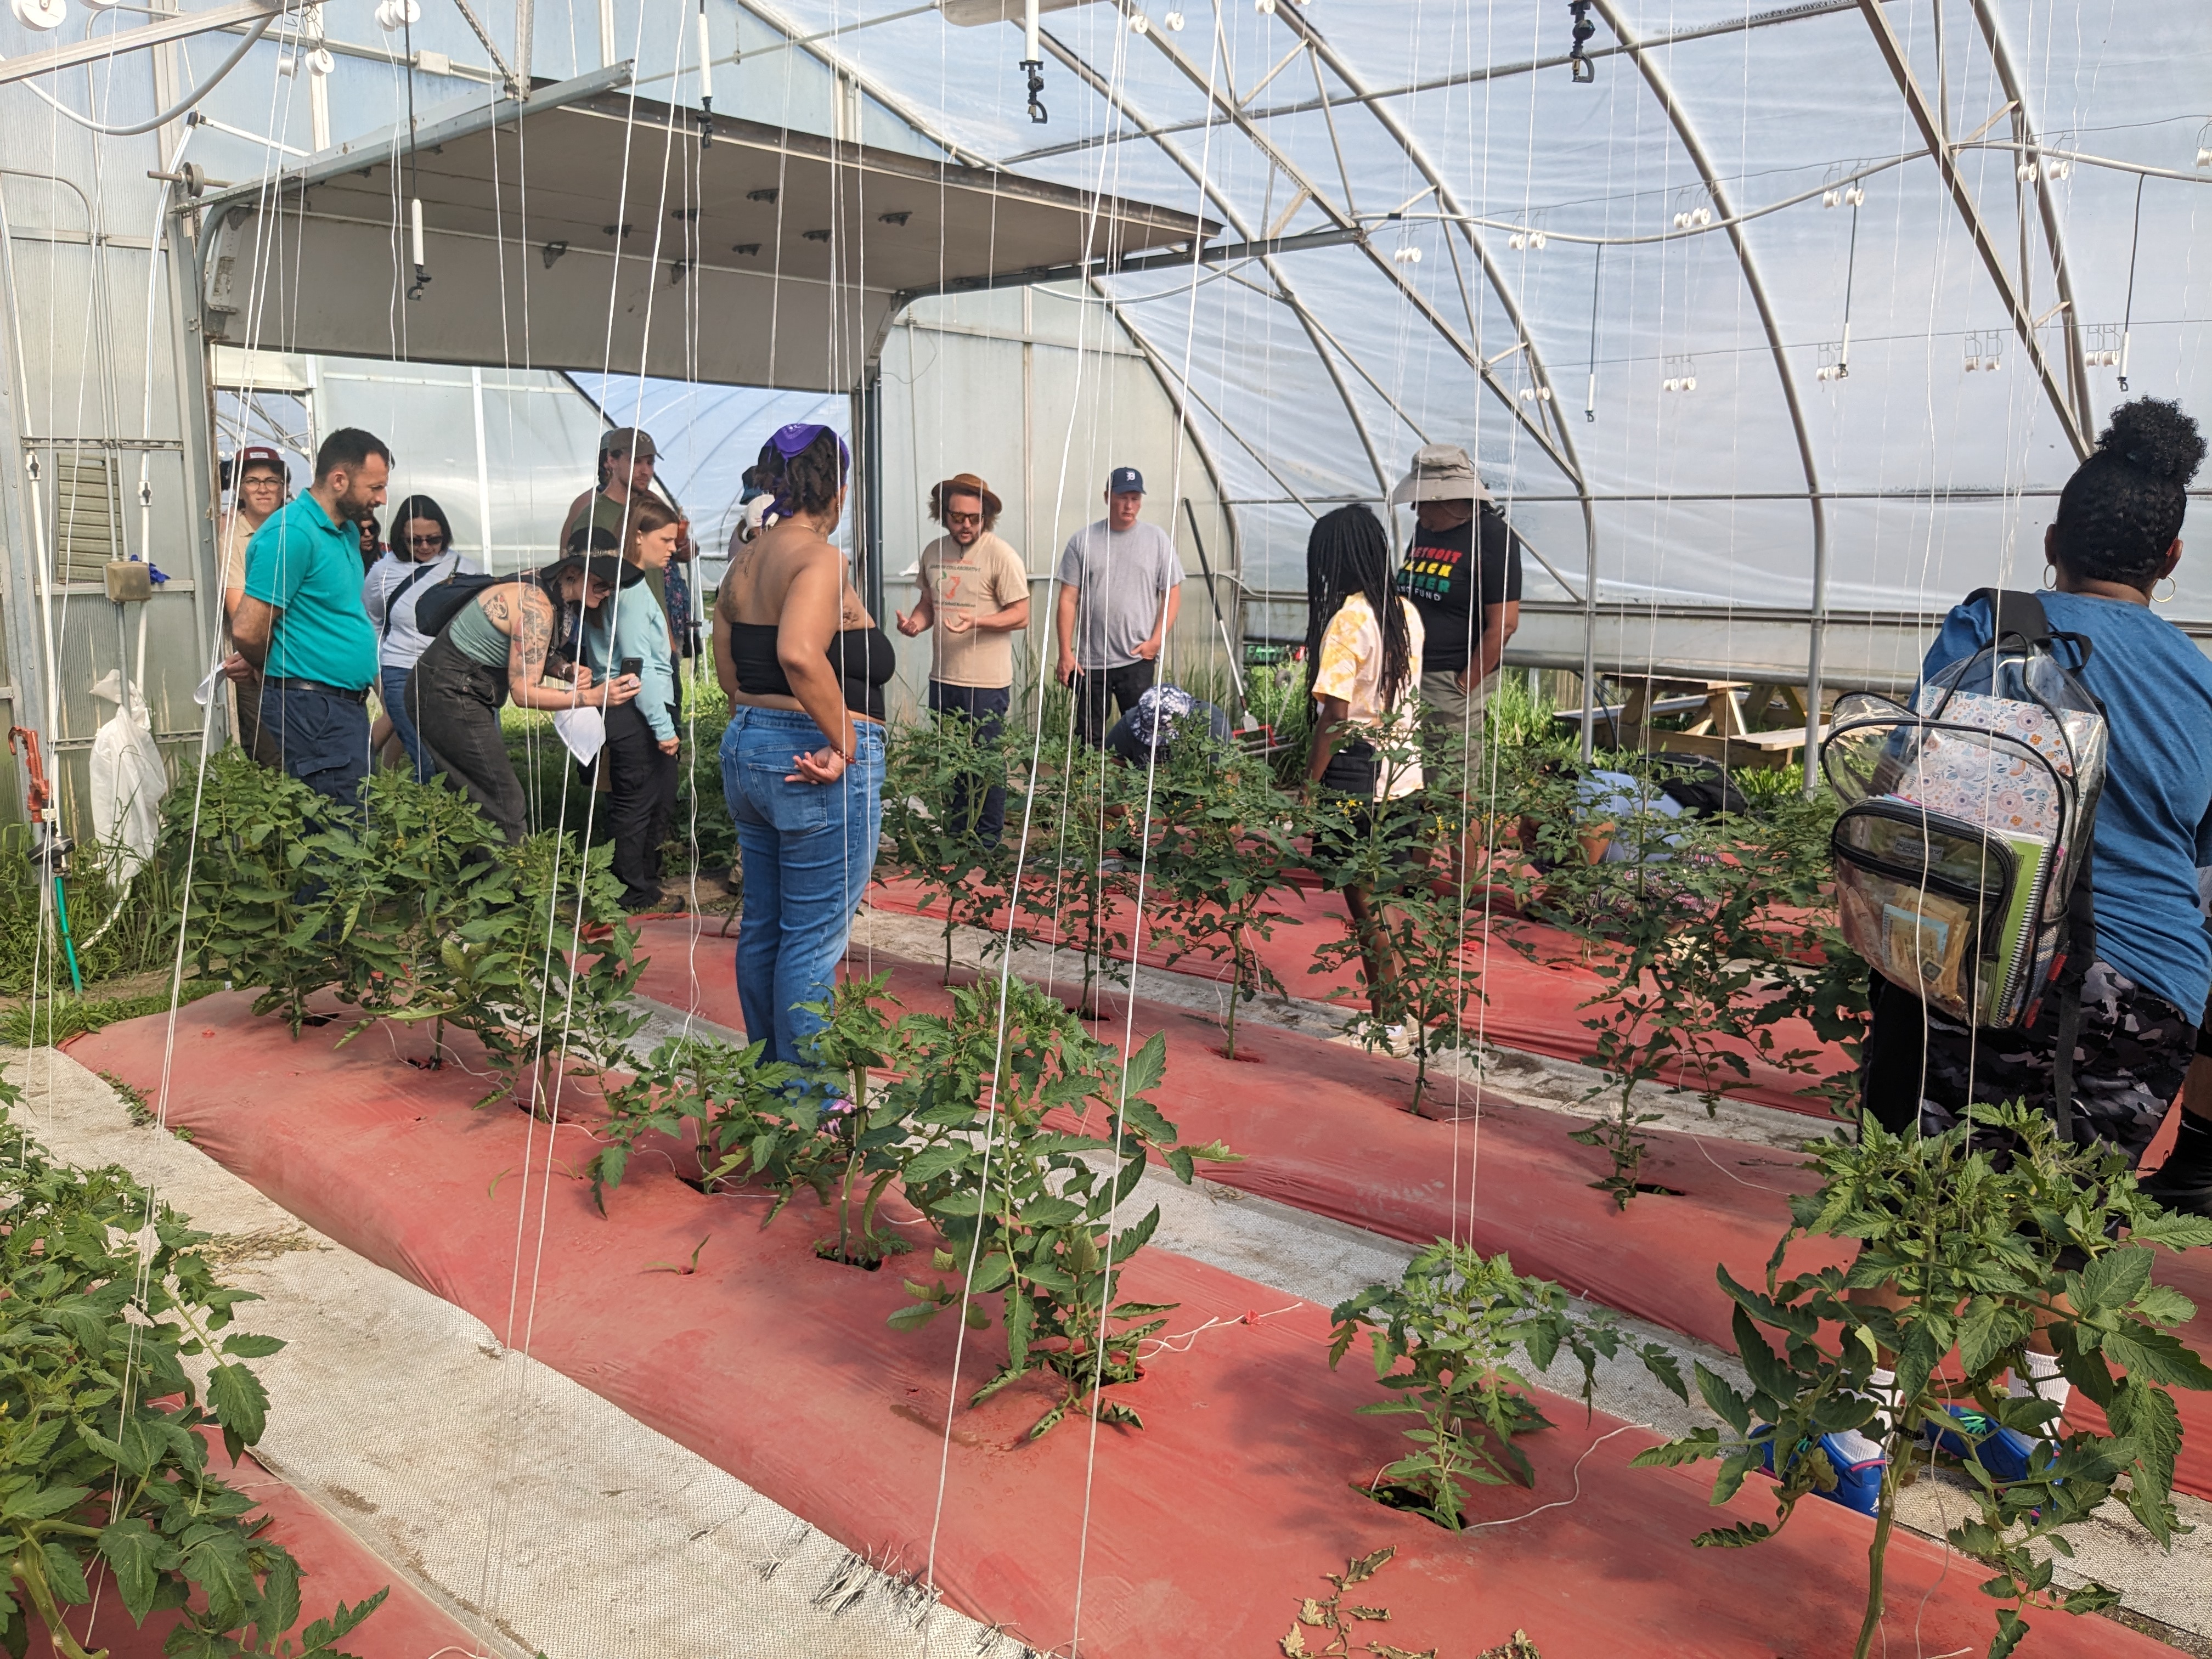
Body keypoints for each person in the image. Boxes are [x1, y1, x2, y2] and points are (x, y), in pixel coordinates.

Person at [1833, 397, 2212, 1510]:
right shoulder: (2203, 685)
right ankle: (2025, 1434)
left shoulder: (1997, 626)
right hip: (2152, 993)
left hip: (1994, 966)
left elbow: (1915, 775)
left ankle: (1854, 1445)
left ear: (2052, 545)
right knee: (2062, 1206)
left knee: (1922, 1182)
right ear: (2173, 559)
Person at [713, 424, 895, 1065]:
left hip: (751, 745)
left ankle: (770, 1078)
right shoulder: (818, 559)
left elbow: (728, 669)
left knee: (766, 926)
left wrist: (760, 732)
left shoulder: (745, 560)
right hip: (814, 756)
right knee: (813, 940)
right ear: (837, 491)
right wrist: (843, 743)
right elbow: (797, 653)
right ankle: (808, 1098)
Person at [406, 550, 642, 843]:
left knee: (474, 796)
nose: (608, 593)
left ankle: (473, 878)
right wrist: (593, 697)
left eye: (613, 587)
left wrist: (565, 670)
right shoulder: (536, 607)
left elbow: (529, 651)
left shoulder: (551, 589)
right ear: (575, 572)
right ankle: (510, 885)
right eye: (602, 584)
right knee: (503, 798)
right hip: (447, 692)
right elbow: (524, 694)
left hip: (457, 690)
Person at [1301, 504, 1425, 1018]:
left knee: (1364, 901)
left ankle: (1388, 1016)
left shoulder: (1349, 620)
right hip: (1405, 770)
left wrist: (1310, 784)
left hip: (1358, 768)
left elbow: (1335, 713)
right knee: (1390, 896)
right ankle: (1403, 1008)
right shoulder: (1404, 612)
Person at [229, 428, 392, 808]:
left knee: (353, 817)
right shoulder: (291, 534)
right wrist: (263, 668)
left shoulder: (346, 531)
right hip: (312, 705)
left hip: (341, 702)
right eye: (375, 487)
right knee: (337, 827)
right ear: (339, 480)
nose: (382, 499)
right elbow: (248, 629)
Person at [896, 472, 1030, 843]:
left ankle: (986, 841)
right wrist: (915, 625)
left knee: (986, 761)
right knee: (950, 761)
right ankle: (956, 834)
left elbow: (1021, 614)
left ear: (986, 516)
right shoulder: (933, 553)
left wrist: (979, 622)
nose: (966, 525)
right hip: (944, 677)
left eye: (974, 518)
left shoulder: (1001, 555)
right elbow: (929, 605)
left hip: (986, 682)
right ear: (944, 514)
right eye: (958, 517)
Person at [1390, 443, 1524, 778]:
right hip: (1410, 674)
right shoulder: (1426, 529)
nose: (1416, 510)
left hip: (1449, 678)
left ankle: (1462, 834)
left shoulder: (1493, 537)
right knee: (1409, 778)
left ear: (1446, 500)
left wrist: (1464, 686)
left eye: (1421, 502)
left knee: (1452, 784)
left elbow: (1504, 625)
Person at [581, 498, 686, 915]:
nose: (672, 548)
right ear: (637, 537)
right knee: (636, 805)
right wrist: (663, 728)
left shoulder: (630, 584)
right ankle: (633, 892)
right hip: (636, 711)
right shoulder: (629, 592)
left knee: (648, 802)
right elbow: (634, 669)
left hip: (632, 708)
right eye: (665, 539)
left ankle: (644, 885)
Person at [1054, 466, 1183, 747]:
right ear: (1107, 497)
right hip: (1090, 661)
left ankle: (1137, 789)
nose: (1129, 505)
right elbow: (1067, 598)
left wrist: (1156, 641)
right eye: (1123, 497)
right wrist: (1066, 652)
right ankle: (1089, 790)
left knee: (1143, 733)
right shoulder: (1083, 541)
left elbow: (1172, 591)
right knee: (1089, 737)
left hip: (1137, 657)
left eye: (1135, 498)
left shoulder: (1157, 540)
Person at [559, 427, 696, 645]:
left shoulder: (651, 507)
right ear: (610, 461)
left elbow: (657, 579)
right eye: (636, 462)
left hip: (658, 635)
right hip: (616, 640)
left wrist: (667, 637)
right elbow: (572, 571)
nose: (645, 471)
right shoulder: (591, 513)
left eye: (650, 463)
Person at [363, 494, 466, 780]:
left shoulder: (465, 568)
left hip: (452, 675)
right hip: (401, 672)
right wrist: (378, 674)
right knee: (426, 759)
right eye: (414, 540)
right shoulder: (383, 572)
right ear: (400, 536)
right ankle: (430, 819)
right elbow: (370, 621)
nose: (424, 547)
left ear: (445, 534)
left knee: (462, 760)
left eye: (433, 539)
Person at [217, 447, 288, 766]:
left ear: (285, 488)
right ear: (239, 489)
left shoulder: (296, 530)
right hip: (260, 657)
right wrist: (258, 659)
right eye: (252, 480)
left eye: (272, 480)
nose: (263, 488)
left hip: (304, 655)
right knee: (271, 752)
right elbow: (239, 609)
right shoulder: (230, 538)